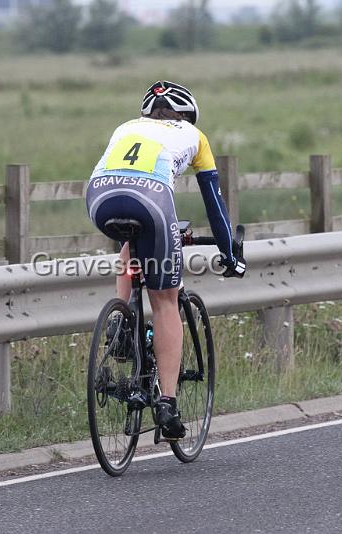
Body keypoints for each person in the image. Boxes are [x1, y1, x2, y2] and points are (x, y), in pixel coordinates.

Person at [86, 80, 245, 440]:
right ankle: (167, 404)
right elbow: (215, 204)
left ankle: (122, 325)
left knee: (131, 244)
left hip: (99, 197)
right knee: (166, 300)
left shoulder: (126, 127)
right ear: (187, 115)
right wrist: (230, 254)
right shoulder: (195, 135)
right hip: (151, 198)